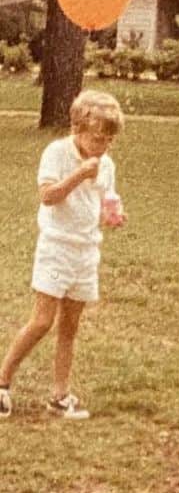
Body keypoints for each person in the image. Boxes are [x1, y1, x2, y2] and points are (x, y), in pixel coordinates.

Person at [0, 90, 125, 420]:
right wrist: (79, 174)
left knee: (70, 326)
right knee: (42, 321)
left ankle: (59, 395)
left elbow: (106, 197)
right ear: (77, 129)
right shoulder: (57, 153)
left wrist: (113, 212)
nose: (103, 147)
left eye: (109, 141)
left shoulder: (106, 163)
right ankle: (2, 382)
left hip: (86, 251)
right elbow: (48, 196)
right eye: (98, 139)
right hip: (56, 248)